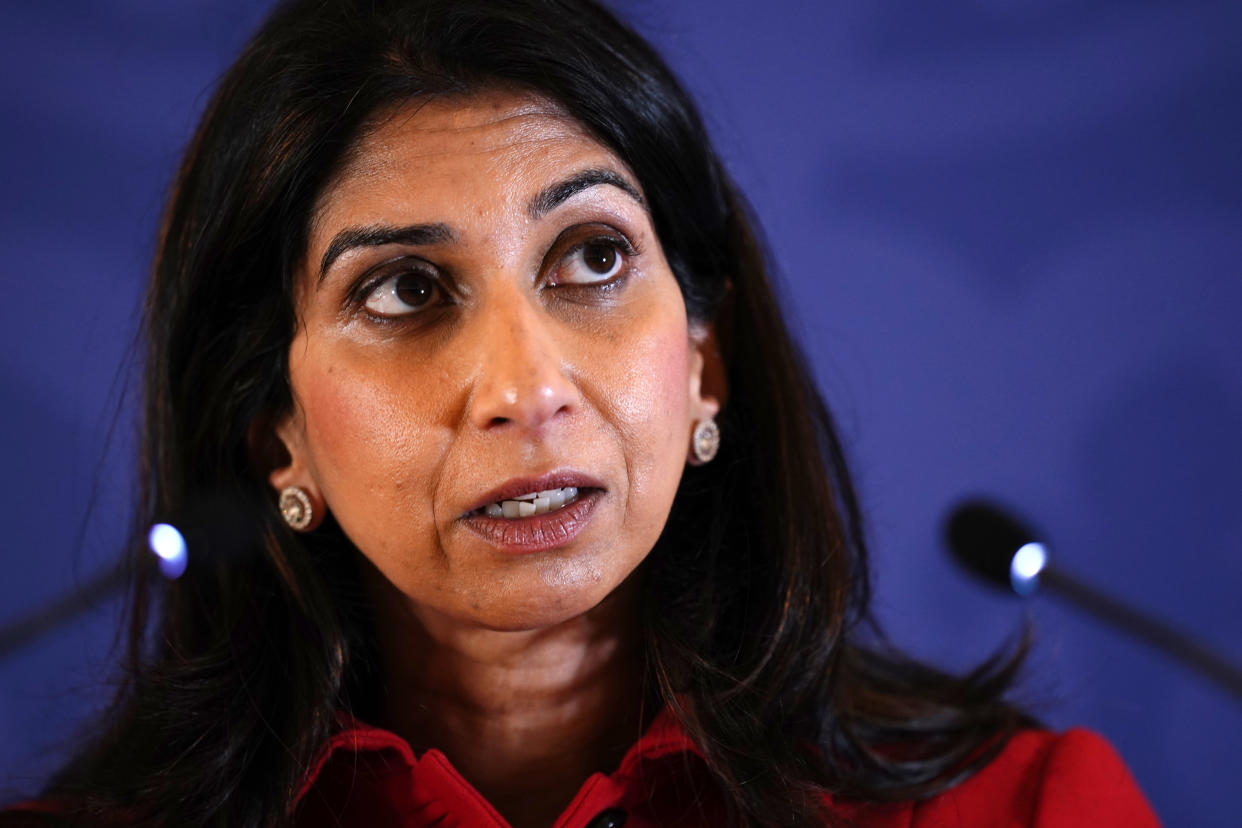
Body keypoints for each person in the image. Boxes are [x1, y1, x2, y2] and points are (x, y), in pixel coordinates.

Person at [3, 0, 1159, 826]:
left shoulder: (1025, 810)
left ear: (707, 360)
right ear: (276, 433)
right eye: (406, 290)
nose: (524, 388)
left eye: (594, 256)